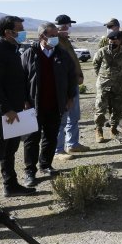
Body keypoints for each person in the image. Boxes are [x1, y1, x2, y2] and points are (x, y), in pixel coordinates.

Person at [0, 15, 36, 208]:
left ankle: (10, 185)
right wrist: (6, 110)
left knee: (10, 150)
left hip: (15, 109)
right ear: (8, 32)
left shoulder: (11, 49)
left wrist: (23, 102)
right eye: (19, 29)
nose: (23, 33)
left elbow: (17, 81)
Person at [21, 23, 77, 187]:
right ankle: (29, 171)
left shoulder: (62, 54)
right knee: (32, 139)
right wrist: (24, 100)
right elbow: (21, 79)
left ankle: (45, 165)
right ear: (41, 37)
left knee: (51, 136)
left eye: (56, 35)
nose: (55, 38)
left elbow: (71, 77)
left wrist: (70, 97)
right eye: (51, 35)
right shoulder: (29, 54)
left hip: (55, 103)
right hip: (33, 105)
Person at [54, 14, 91, 159]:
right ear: (62, 27)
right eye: (67, 26)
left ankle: (73, 144)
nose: (69, 28)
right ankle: (58, 150)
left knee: (74, 116)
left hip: (73, 84)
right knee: (62, 118)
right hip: (64, 86)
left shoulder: (65, 41)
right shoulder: (56, 42)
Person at [92, 30, 122, 143]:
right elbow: (95, 64)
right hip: (103, 84)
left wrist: (116, 74)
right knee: (100, 108)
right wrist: (102, 76)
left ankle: (113, 129)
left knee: (118, 108)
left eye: (115, 39)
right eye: (111, 40)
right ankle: (98, 130)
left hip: (117, 83)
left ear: (120, 40)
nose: (113, 42)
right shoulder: (102, 51)